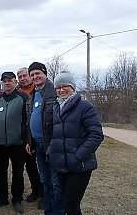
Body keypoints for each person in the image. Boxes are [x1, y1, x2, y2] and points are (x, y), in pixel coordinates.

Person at [49, 71, 104, 215]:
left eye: (65, 86)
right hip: (61, 164)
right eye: (58, 87)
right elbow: (53, 135)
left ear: (73, 87)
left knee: (71, 205)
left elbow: (96, 135)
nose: (61, 90)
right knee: (66, 203)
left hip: (80, 166)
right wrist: (51, 152)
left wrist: (78, 156)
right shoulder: (56, 107)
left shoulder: (85, 106)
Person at [25, 62, 64, 215]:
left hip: (52, 145)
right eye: (32, 74)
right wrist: (29, 140)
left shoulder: (53, 91)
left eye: (37, 73)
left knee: (56, 183)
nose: (35, 77)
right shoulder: (33, 93)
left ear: (45, 74)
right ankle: (48, 210)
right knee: (45, 180)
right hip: (38, 145)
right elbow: (30, 118)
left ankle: (58, 212)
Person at [0, 71, 28, 214]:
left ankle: (17, 199)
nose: (7, 83)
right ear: (2, 83)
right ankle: (2, 197)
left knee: (17, 173)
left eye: (10, 80)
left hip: (18, 143)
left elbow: (26, 119)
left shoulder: (23, 98)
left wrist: (23, 135)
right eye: (4, 81)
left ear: (15, 82)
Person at [17, 67, 44, 208]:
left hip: (40, 133)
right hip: (26, 135)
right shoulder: (17, 93)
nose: (23, 78)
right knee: (30, 164)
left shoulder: (39, 90)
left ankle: (45, 193)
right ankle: (36, 190)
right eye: (20, 76)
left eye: (24, 75)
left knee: (44, 165)